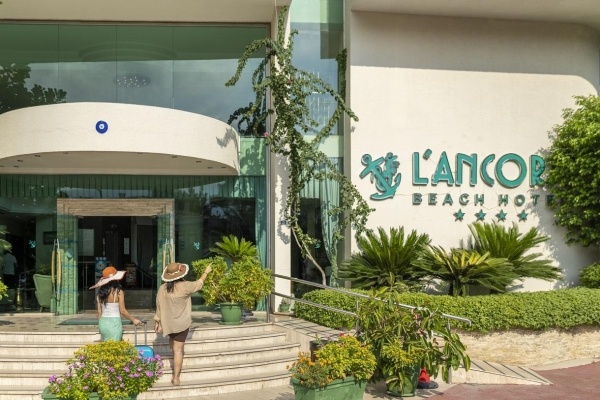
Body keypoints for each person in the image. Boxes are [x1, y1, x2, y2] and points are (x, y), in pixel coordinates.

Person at [154, 262, 212, 386]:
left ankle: (175, 367)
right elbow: (199, 283)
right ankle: (176, 378)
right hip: (181, 323)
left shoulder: (162, 288)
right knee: (178, 350)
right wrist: (206, 271)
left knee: (174, 348)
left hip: (168, 323)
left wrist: (157, 321)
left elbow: (158, 305)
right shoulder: (185, 286)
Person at [90, 266, 142, 341]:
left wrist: (100, 324)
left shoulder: (100, 293)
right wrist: (134, 320)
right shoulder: (119, 292)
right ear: (116, 279)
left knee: (106, 347)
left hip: (102, 323)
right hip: (114, 322)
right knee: (115, 346)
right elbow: (123, 311)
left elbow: (99, 312)